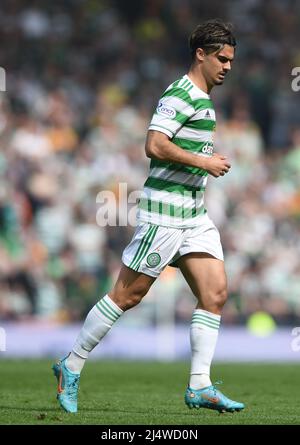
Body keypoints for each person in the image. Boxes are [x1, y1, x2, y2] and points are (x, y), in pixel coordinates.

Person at [52, 19, 245, 414]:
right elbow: (153, 144)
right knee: (127, 295)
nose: (227, 66)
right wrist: (202, 161)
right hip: (164, 215)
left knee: (215, 293)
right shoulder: (180, 94)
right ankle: (70, 365)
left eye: (231, 60)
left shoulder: (203, 99)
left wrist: (199, 168)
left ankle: (200, 386)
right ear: (201, 54)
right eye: (221, 59)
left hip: (194, 214)